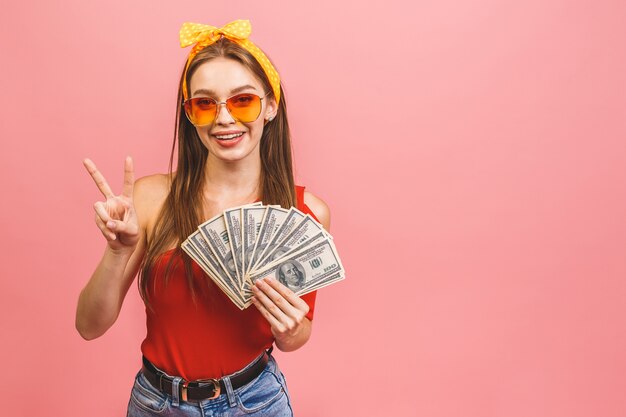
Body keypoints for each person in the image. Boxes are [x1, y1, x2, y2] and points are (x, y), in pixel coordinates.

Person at [75, 19, 331, 417]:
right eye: (205, 104)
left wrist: (292, 328)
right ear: (190, 115)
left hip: (255, 402)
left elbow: (295, 340)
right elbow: (89, 326)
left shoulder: (305, 213)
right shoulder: (152, 198)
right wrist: (116, 252)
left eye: (242, 100)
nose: (224, 118)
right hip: (155, 403)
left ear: (271, 106)